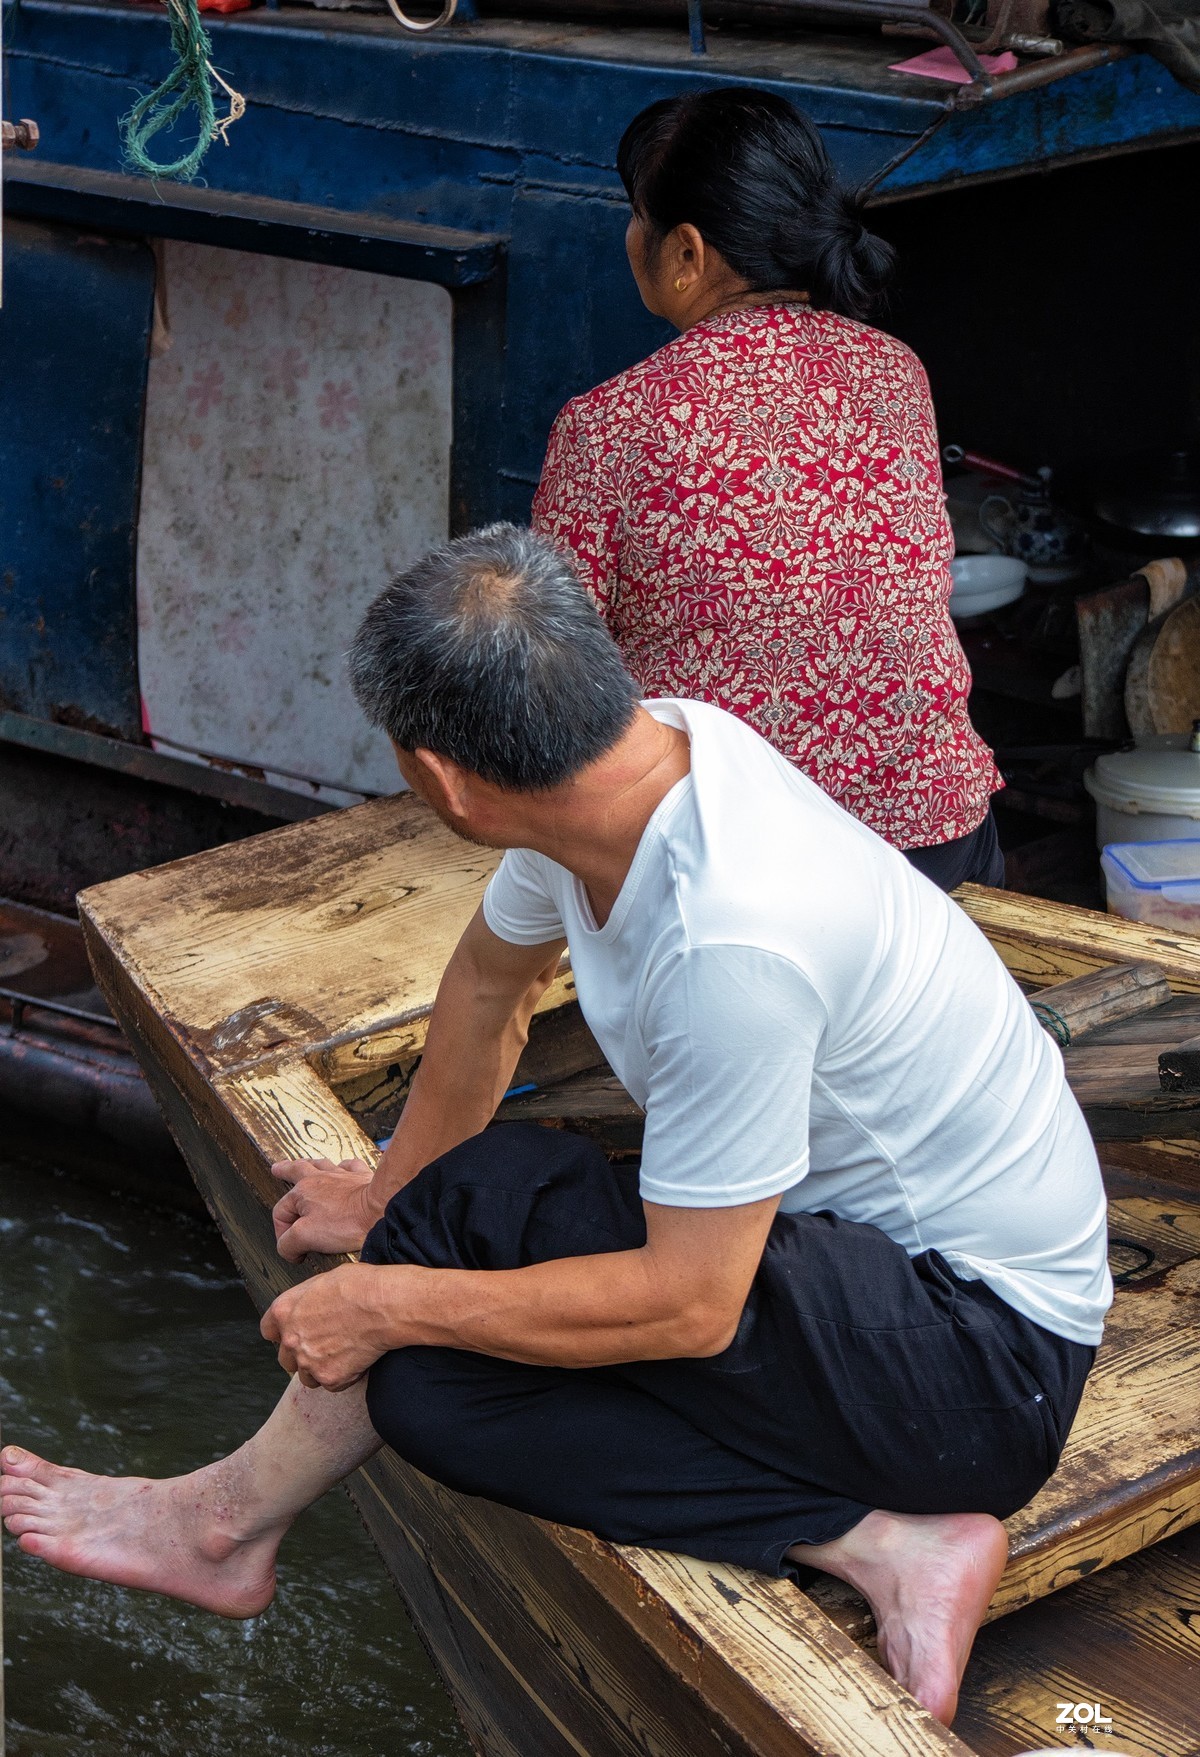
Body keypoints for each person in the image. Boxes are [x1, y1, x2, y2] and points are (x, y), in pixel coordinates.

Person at [1, 526, 1109, 1727]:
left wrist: (386, 1296)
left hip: (978, 1363)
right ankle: (877, 1541)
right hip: (853, 1273)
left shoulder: (731, 940)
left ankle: (222, 1518)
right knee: (446, 1311)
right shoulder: (636, 761)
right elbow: (487, 986)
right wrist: (386, 1201)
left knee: (454, 1308)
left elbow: (692, 1303)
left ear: (445, 778)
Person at [532, 88, 1005, 892]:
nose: (630, 237)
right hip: (937, 841)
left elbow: (554, 681)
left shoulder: (608, 425)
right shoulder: (897, 374)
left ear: (687, 254)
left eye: (636, 216)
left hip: (746, 872)